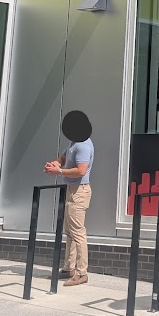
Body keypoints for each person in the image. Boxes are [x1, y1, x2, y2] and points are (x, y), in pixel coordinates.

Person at [45, 110, 93, 286]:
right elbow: (63, 157)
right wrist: (55, 164)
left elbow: (81, 170)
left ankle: (81, 273)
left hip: (79, 191)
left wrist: (58, 171)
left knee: (78, 233)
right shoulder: (74, 142)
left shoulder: (83, 146)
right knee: (70, 231)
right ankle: (68, 268)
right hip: (71, 190)